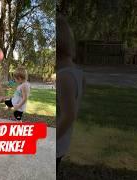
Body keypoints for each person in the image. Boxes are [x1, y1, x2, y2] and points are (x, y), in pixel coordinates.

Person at [57, 14, 85, 177]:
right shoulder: (78, 73)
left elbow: (69, 116)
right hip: (64, 141)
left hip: (58, 142)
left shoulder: (64, 77)